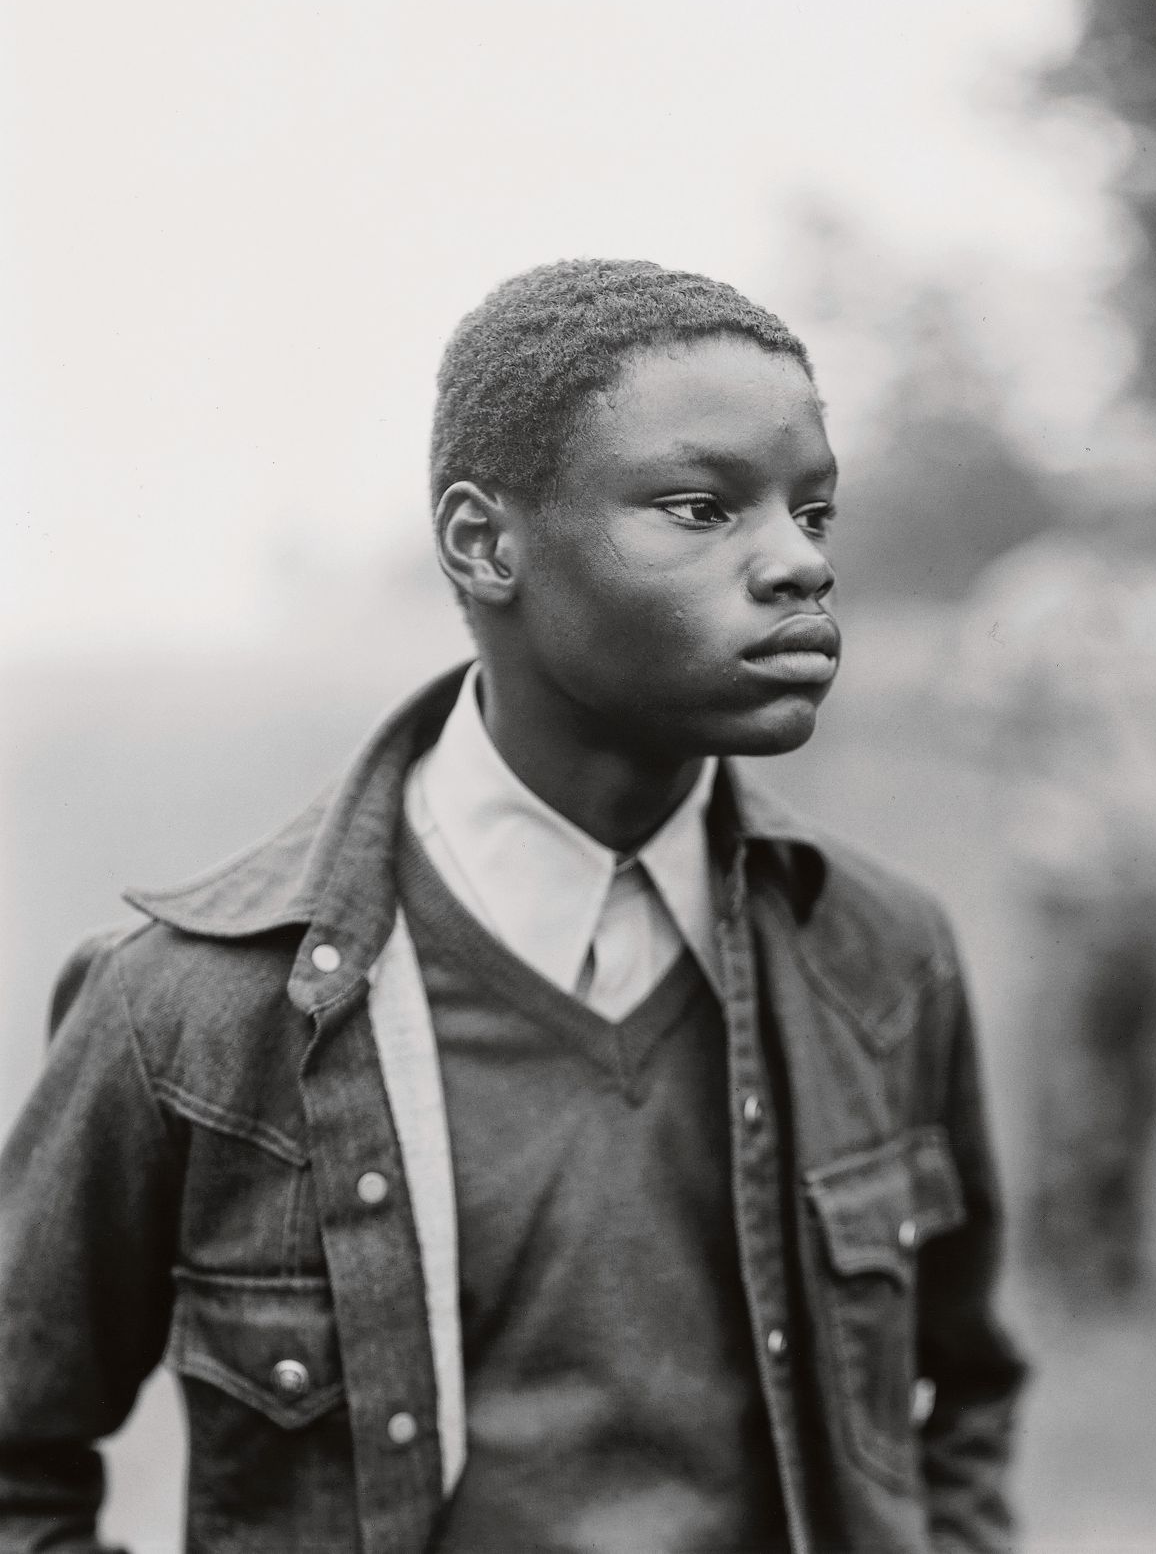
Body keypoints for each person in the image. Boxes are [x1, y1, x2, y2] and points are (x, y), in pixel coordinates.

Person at [0, 259, 1025, 1553]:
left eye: (812, 513)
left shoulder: (882, 957)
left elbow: (964, 1396)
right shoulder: (192, 1008)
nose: (797, 566)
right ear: (486, 544)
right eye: (704, 508)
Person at [951, 466, 1156, 1300]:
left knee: (1152, 1075)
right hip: (1073, 876)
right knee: (1071, 1071)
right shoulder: (1028, 597)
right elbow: (978, 717)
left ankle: (1126, 1251)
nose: (1149, 518)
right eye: (1133, 501)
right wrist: (1053, 815)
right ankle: (1062, 1261)